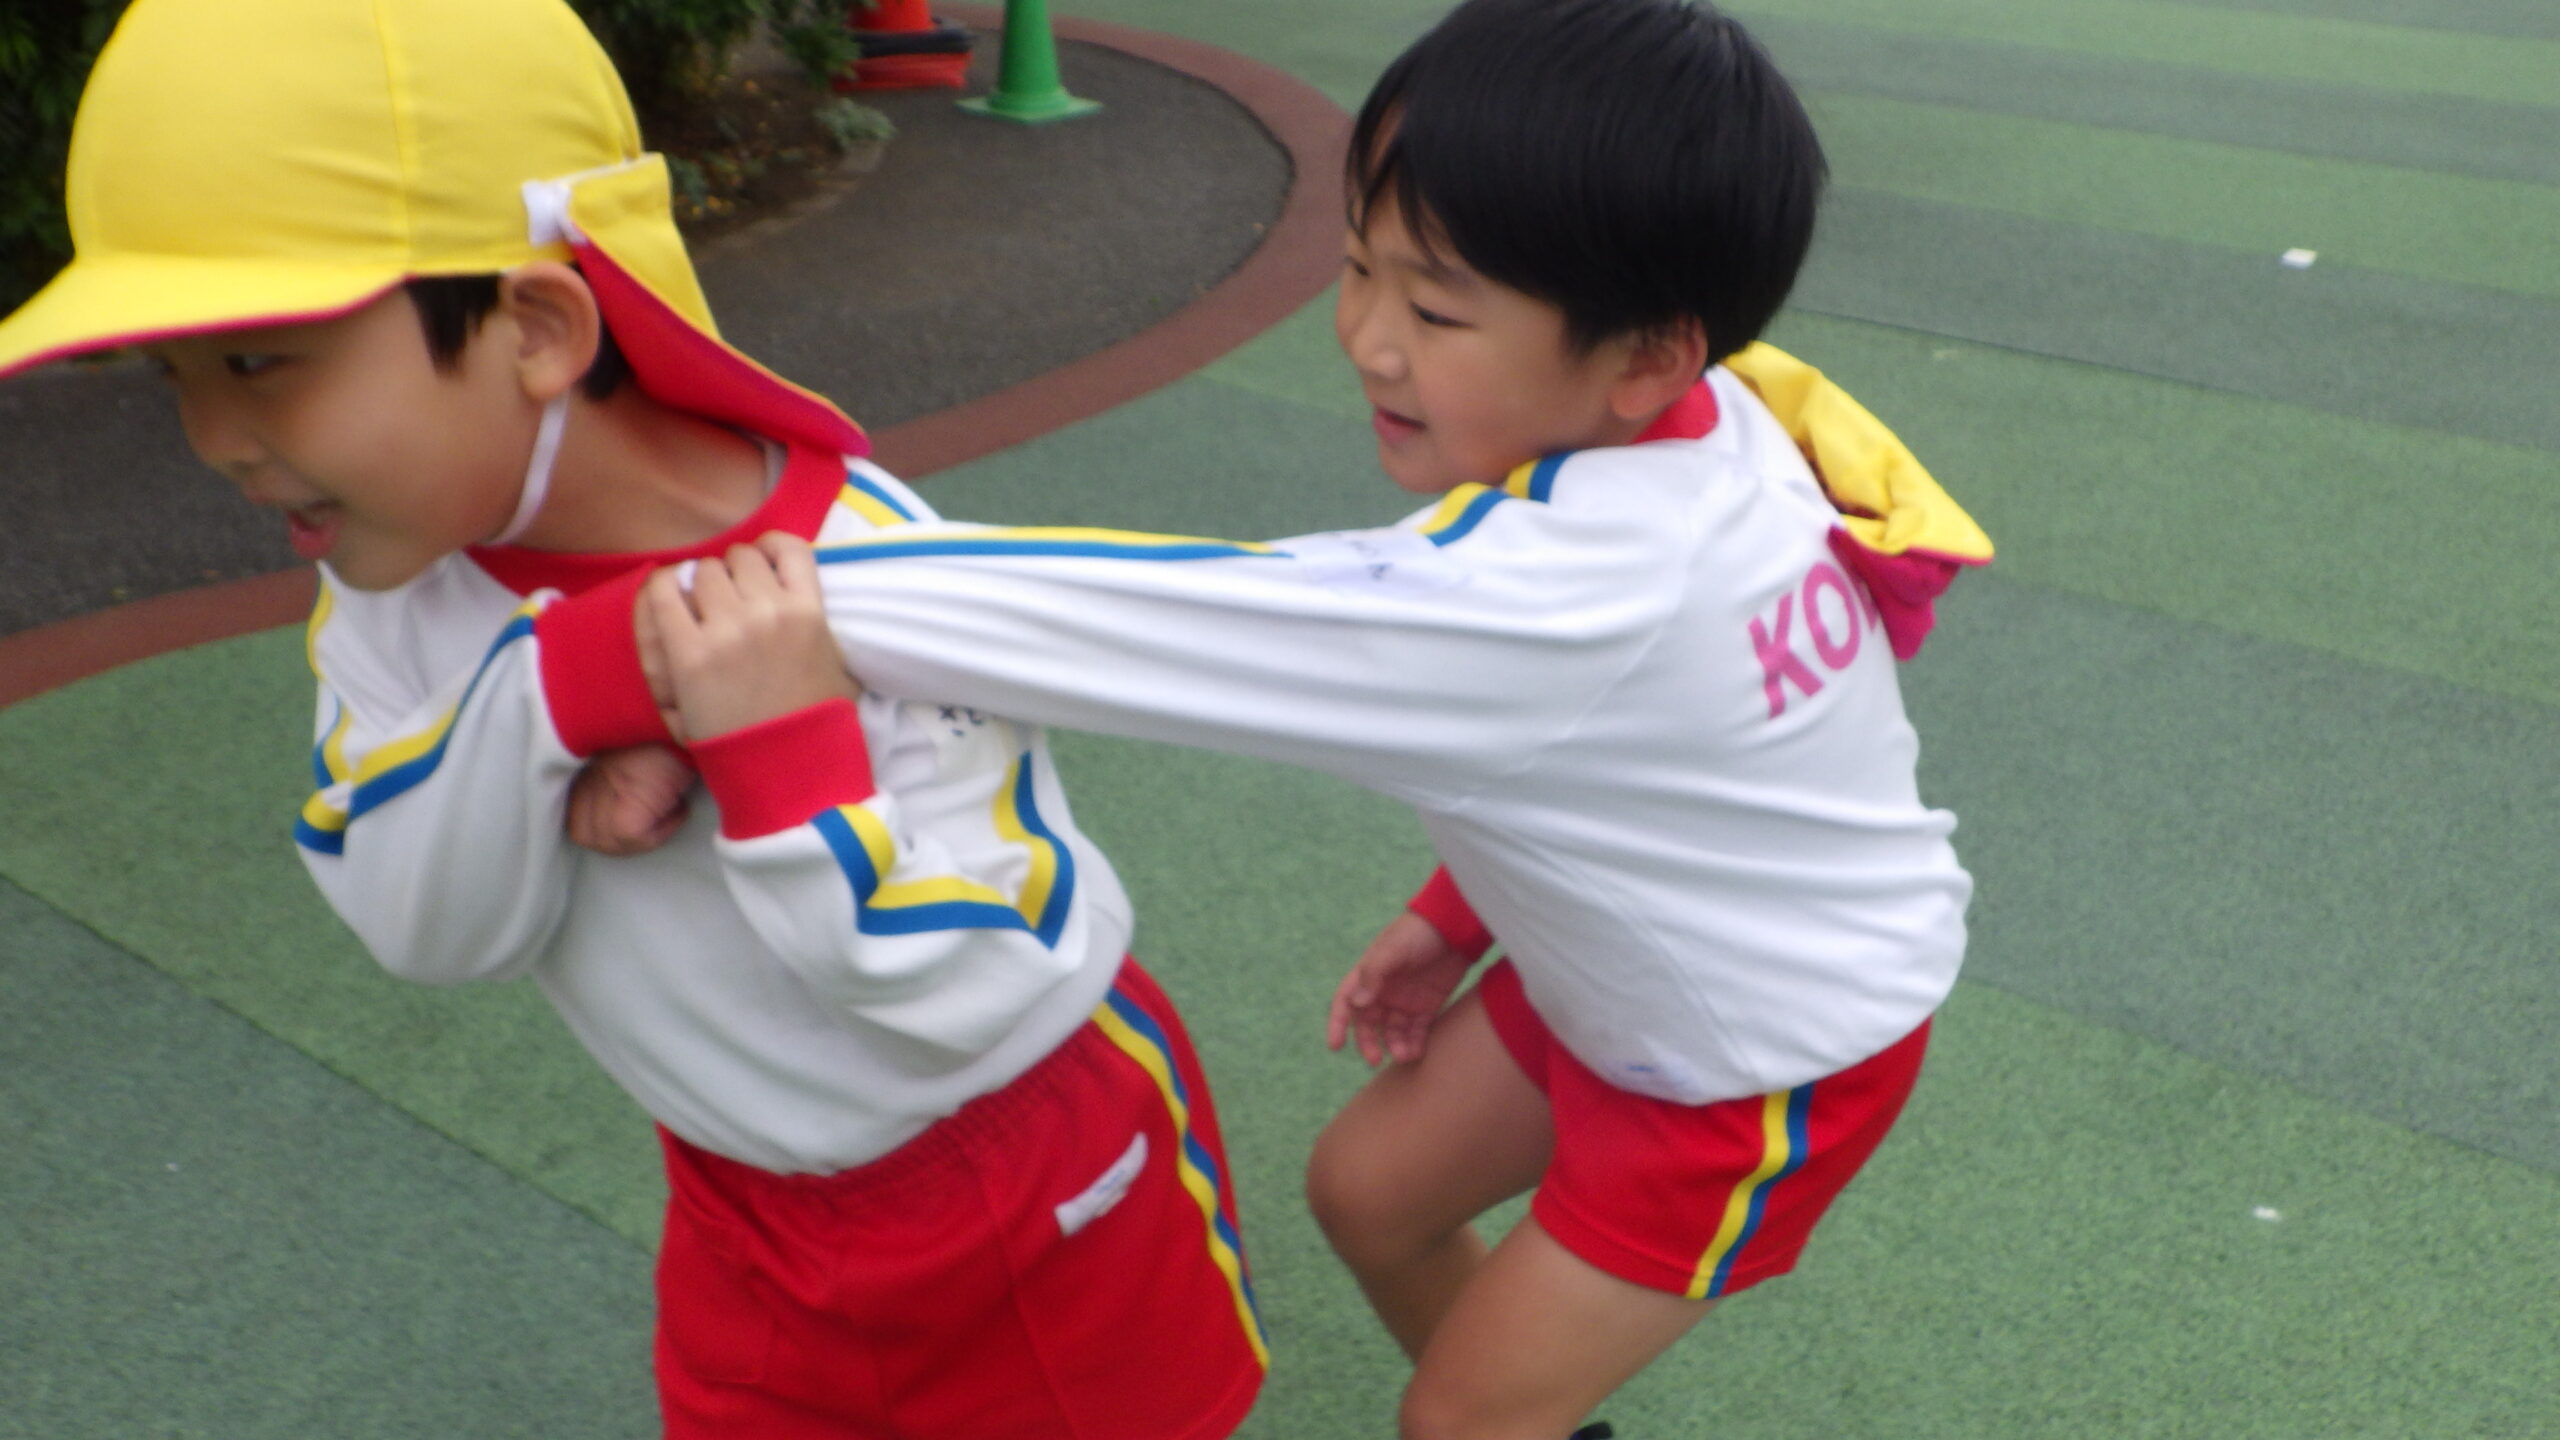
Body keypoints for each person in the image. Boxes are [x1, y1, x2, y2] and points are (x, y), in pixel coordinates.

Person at [613, 2, 1996, 1436]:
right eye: (1357, 264)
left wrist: (765, 609)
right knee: (1368, 1192)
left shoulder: (1558, 587)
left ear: (1646, 354)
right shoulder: (1727, 420)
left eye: (1435, 311)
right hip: (1655, 954)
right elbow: (1685, 760)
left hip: (1766, 1057)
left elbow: (1160, 624)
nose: (1367, 340)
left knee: (1455, 1421)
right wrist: (1459, 911)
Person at [0, 2, 1268, 1437]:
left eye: (256, 361)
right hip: (740, 1203)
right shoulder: (392, 591)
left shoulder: (859, 565)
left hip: (1032, 1173)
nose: (214, 442)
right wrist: (564, 697)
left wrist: (780, 767)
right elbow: (425, 927)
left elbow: (992, 986)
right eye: (173, 376)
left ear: (538, 326)